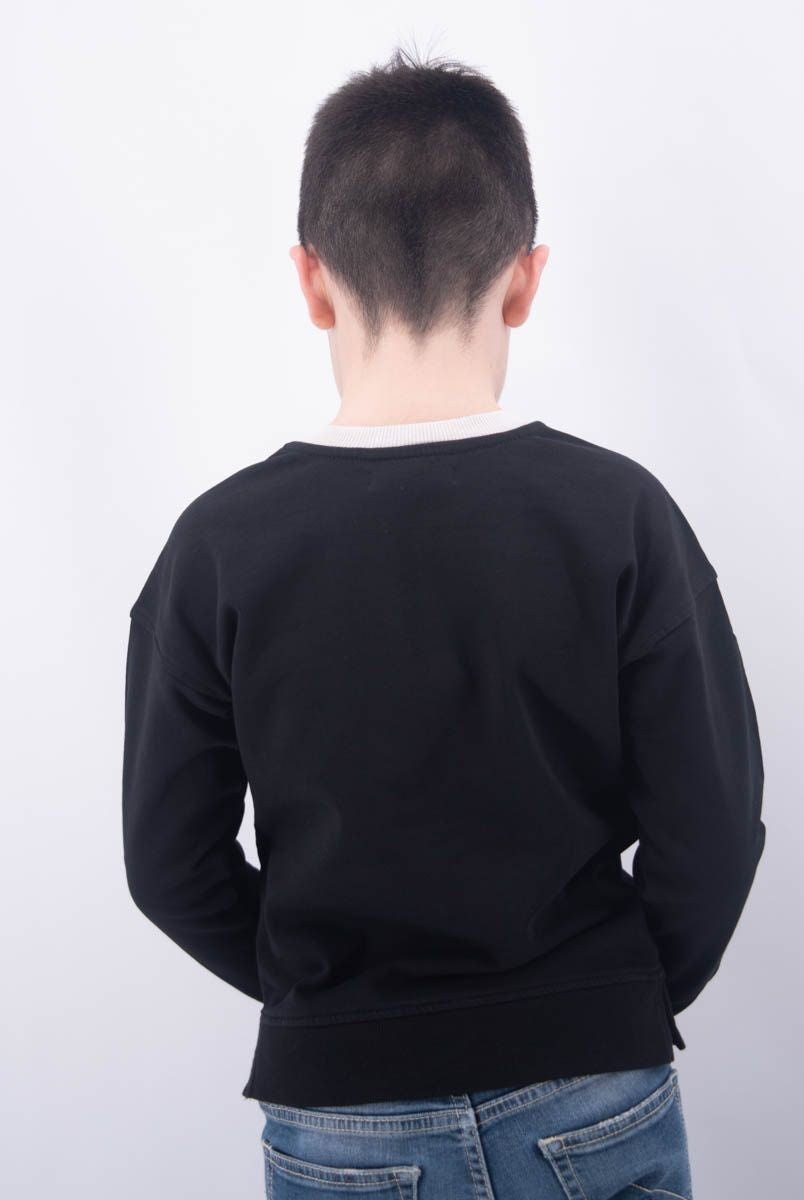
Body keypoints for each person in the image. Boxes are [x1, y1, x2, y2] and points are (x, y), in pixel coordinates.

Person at [121, 45, 766, 1200]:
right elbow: (713, 829)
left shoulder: (216, 547)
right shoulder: (621, 516)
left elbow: (170, 864)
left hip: (341, 1108)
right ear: (525, 280)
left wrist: (334, 1007)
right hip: (592, 1080)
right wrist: (602, 999)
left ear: (312, 282)